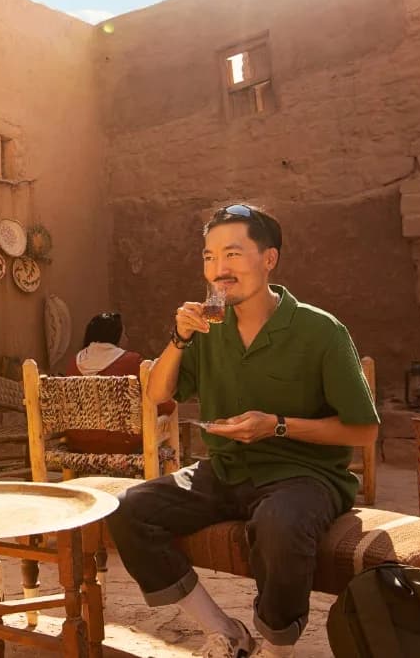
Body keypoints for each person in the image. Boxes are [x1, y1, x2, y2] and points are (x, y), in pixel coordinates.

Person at [104, 204, 379, 658]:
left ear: (269, 259)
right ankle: (224, 630)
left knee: (280, 524)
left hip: (303, 476)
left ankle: (277, 646)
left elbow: (364, 431)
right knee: (130, 509)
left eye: (232, 254)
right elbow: (157, 394)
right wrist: (179, 338)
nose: (219, 269)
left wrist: (278, 427)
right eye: (209, 257)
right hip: (225, 469)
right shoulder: (208, 327)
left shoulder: (321, 331)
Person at [61, 312, 176, 454]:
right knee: (170, 412)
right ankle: (168, 466)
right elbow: (161, 401)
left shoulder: (73, 364)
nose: (126, 337)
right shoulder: (132, 361)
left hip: (78, 444)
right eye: (124, 333)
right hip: (121, 444)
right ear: (117, 336)